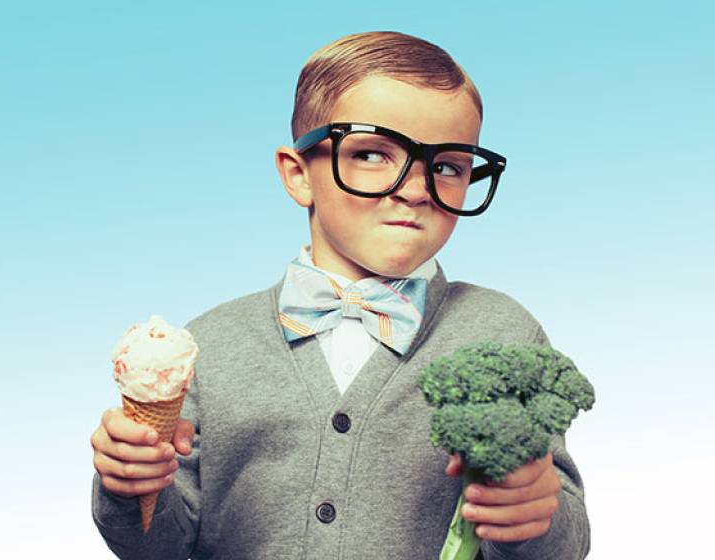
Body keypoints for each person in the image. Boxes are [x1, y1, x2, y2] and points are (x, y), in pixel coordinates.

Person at [89, 30, 590, 559]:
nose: (416, 189)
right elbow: (156, 547)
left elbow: (564, 542)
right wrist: (129, 486)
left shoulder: (502, 333)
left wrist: (536, 517)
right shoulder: (208, 346)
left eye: (446, 166)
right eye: (373, 154)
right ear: (299, 174)